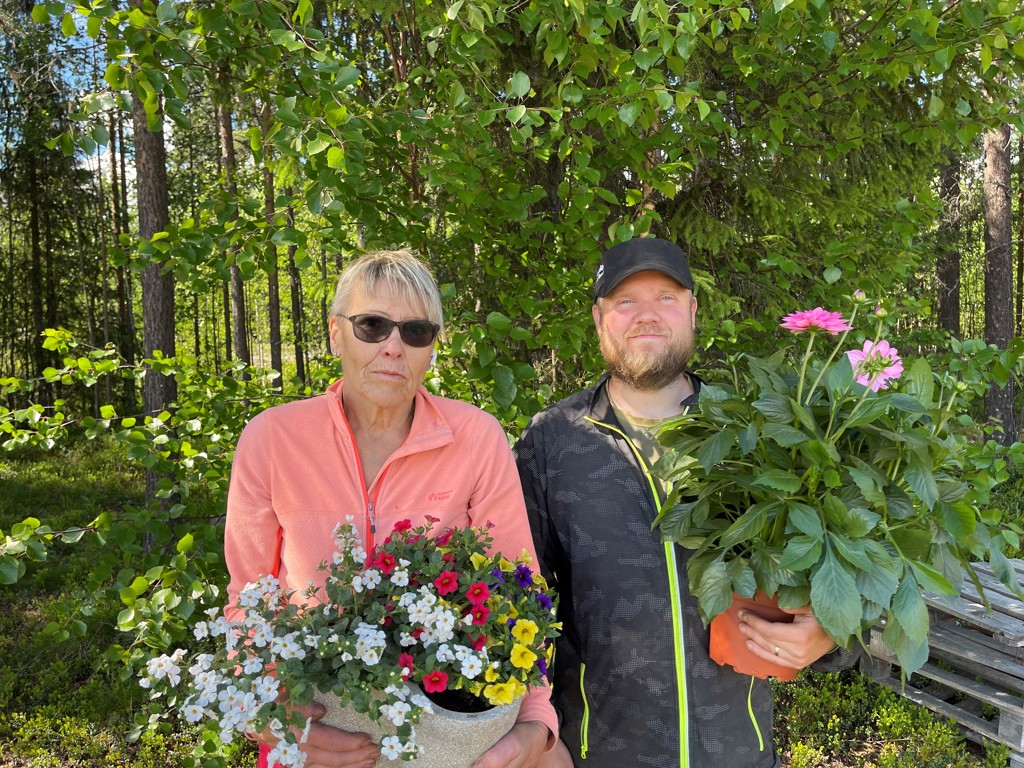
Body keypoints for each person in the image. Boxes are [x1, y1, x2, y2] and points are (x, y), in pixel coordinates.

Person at [515, 237, 856, 768]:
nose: (646, 315)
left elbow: (842, 571)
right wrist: (536, 731)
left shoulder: (757, 430)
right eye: (626, 301)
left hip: (738, 752)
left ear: (693, 310)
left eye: (666, 297)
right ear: (599, 317)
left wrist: (831, 636)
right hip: (598, 755)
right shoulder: (553, 443)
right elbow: (518, 602)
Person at [225, 250, 557, 768]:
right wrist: (268, 716)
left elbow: (520, 591)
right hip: (317, 730)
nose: (393, 348)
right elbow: (247, 599)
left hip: (445, 731)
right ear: (336, 333)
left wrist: (537, 724)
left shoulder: (475, 438)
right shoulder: (273, 439)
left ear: (432, 347)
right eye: (372, 325)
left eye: (416, 331)